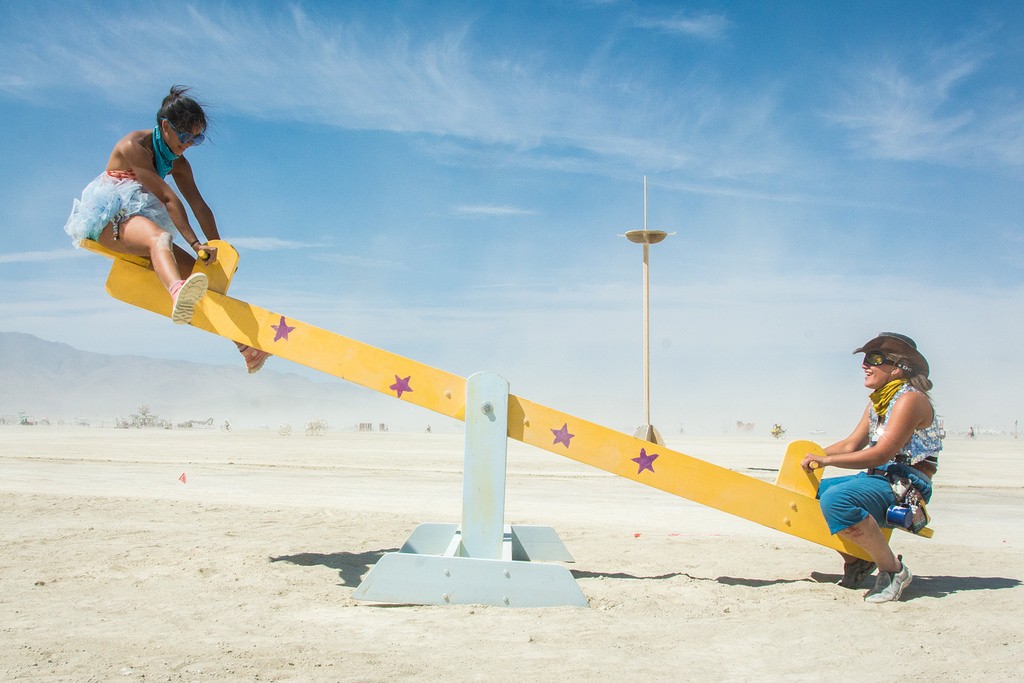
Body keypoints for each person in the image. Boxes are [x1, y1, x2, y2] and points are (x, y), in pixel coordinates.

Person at [64, 86, 270, 373]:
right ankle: (177, 295)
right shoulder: (133, 146)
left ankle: (247, 348)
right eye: (185, 136)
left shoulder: (179, 163)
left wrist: (218, 248)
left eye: (197, 139)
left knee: (202, 281)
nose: (189, 144)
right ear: (165, 126)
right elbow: (167, 198)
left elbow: (198, 204)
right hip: (109, 219)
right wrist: (196, 244)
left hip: (139, 218)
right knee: (160, 238)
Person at [802, 332, 942, 603]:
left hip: (905, 484)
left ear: (899, 367)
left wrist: (827, 461)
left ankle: (893, 571)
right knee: (811, 494)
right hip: (879, 478)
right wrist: (811, 456)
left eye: (874, 359)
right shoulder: (879, 401)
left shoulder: (910, 399)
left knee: (837, 499)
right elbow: (851, 444)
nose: (865, 365)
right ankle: (857, 558)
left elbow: (882, 453)